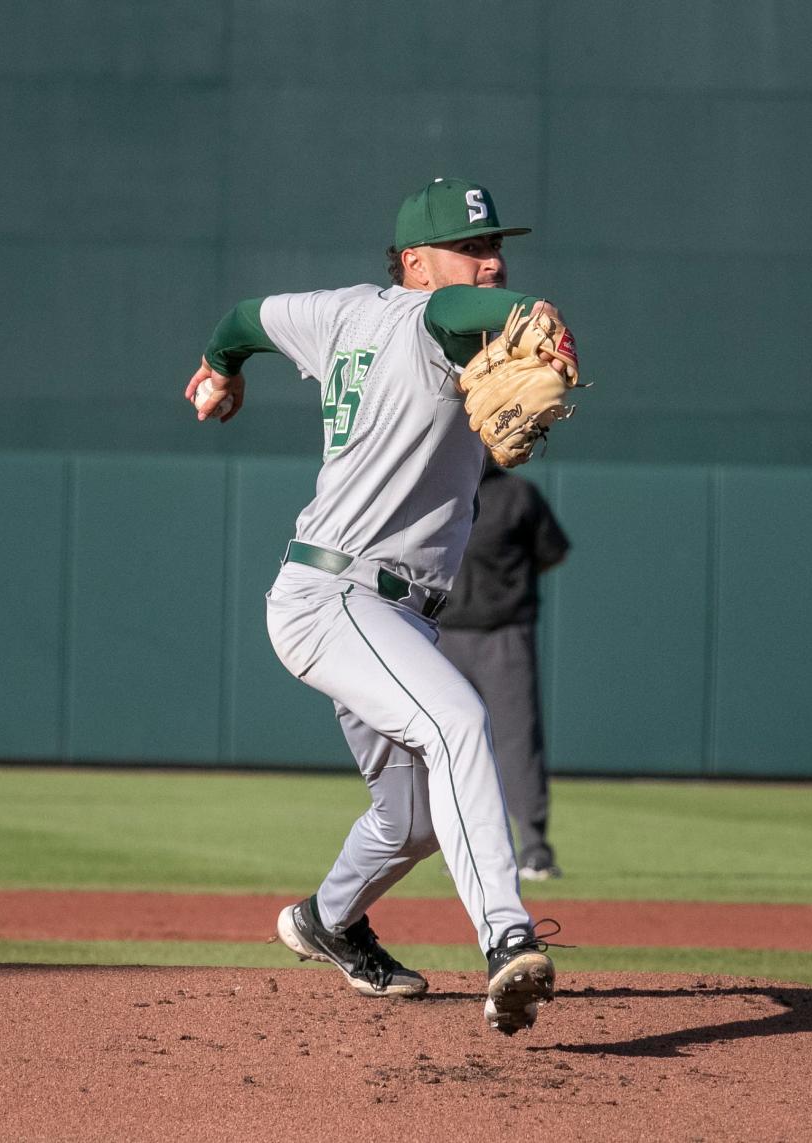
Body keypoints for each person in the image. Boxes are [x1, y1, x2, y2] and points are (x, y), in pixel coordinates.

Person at [184, 177, 576, 1035]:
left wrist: (220, 368)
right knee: (460, 723)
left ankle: (328, 919)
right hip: (339, 595)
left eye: (495, 246)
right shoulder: (431, 314)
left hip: (376, 607)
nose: (490, 261)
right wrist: (531, 313)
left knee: (410, 821)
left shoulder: (337, 313)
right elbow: (447, 319)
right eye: (470, 249)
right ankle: (508, 938)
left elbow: (245, 318)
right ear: (416, 262)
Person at [438, 456, 569, 881]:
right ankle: (457, 848)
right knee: (446, 746)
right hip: (443, 633)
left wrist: (509, 589)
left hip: (504, 633)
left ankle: (534, 849)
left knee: (517, 740)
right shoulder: (440, 489)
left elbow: (552, 551)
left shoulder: (518, 495)